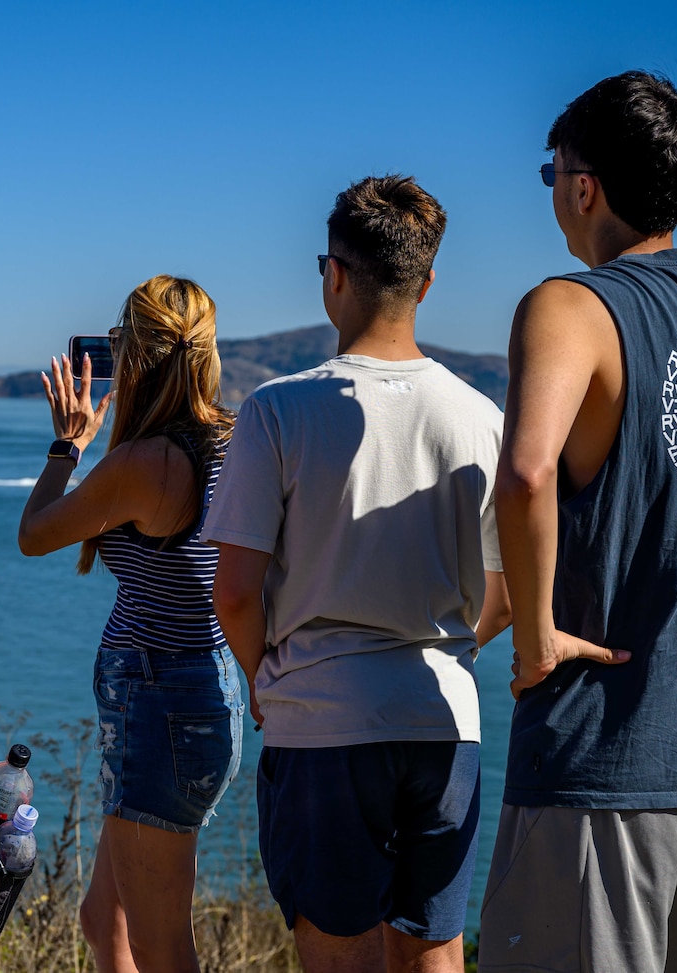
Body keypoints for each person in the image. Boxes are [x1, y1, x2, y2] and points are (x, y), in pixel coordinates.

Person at [208, 176, 511, 973]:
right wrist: (447, 648)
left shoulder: (276, 411)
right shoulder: (484, 418)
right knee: (436, 947)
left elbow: (235, 591)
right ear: (430, 282)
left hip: (323, 718)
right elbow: (505, 593)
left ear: (333, 274)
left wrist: (265, 677)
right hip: (446, 718)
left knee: (336, 946)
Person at [479, 72, 677, 973]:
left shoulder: (572, 306)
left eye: (552, 174)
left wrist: (534, 637)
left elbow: (529, 468)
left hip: (608, 754)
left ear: (584, 188)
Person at [18, 275, 242, 973]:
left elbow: (35, 533)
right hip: (201, 697)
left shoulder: (146, 464)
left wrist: (68, 445)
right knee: (101, 918)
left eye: (118, 341)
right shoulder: (235, 439)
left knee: (158, 943)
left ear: (138, 355)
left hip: (162, 715)